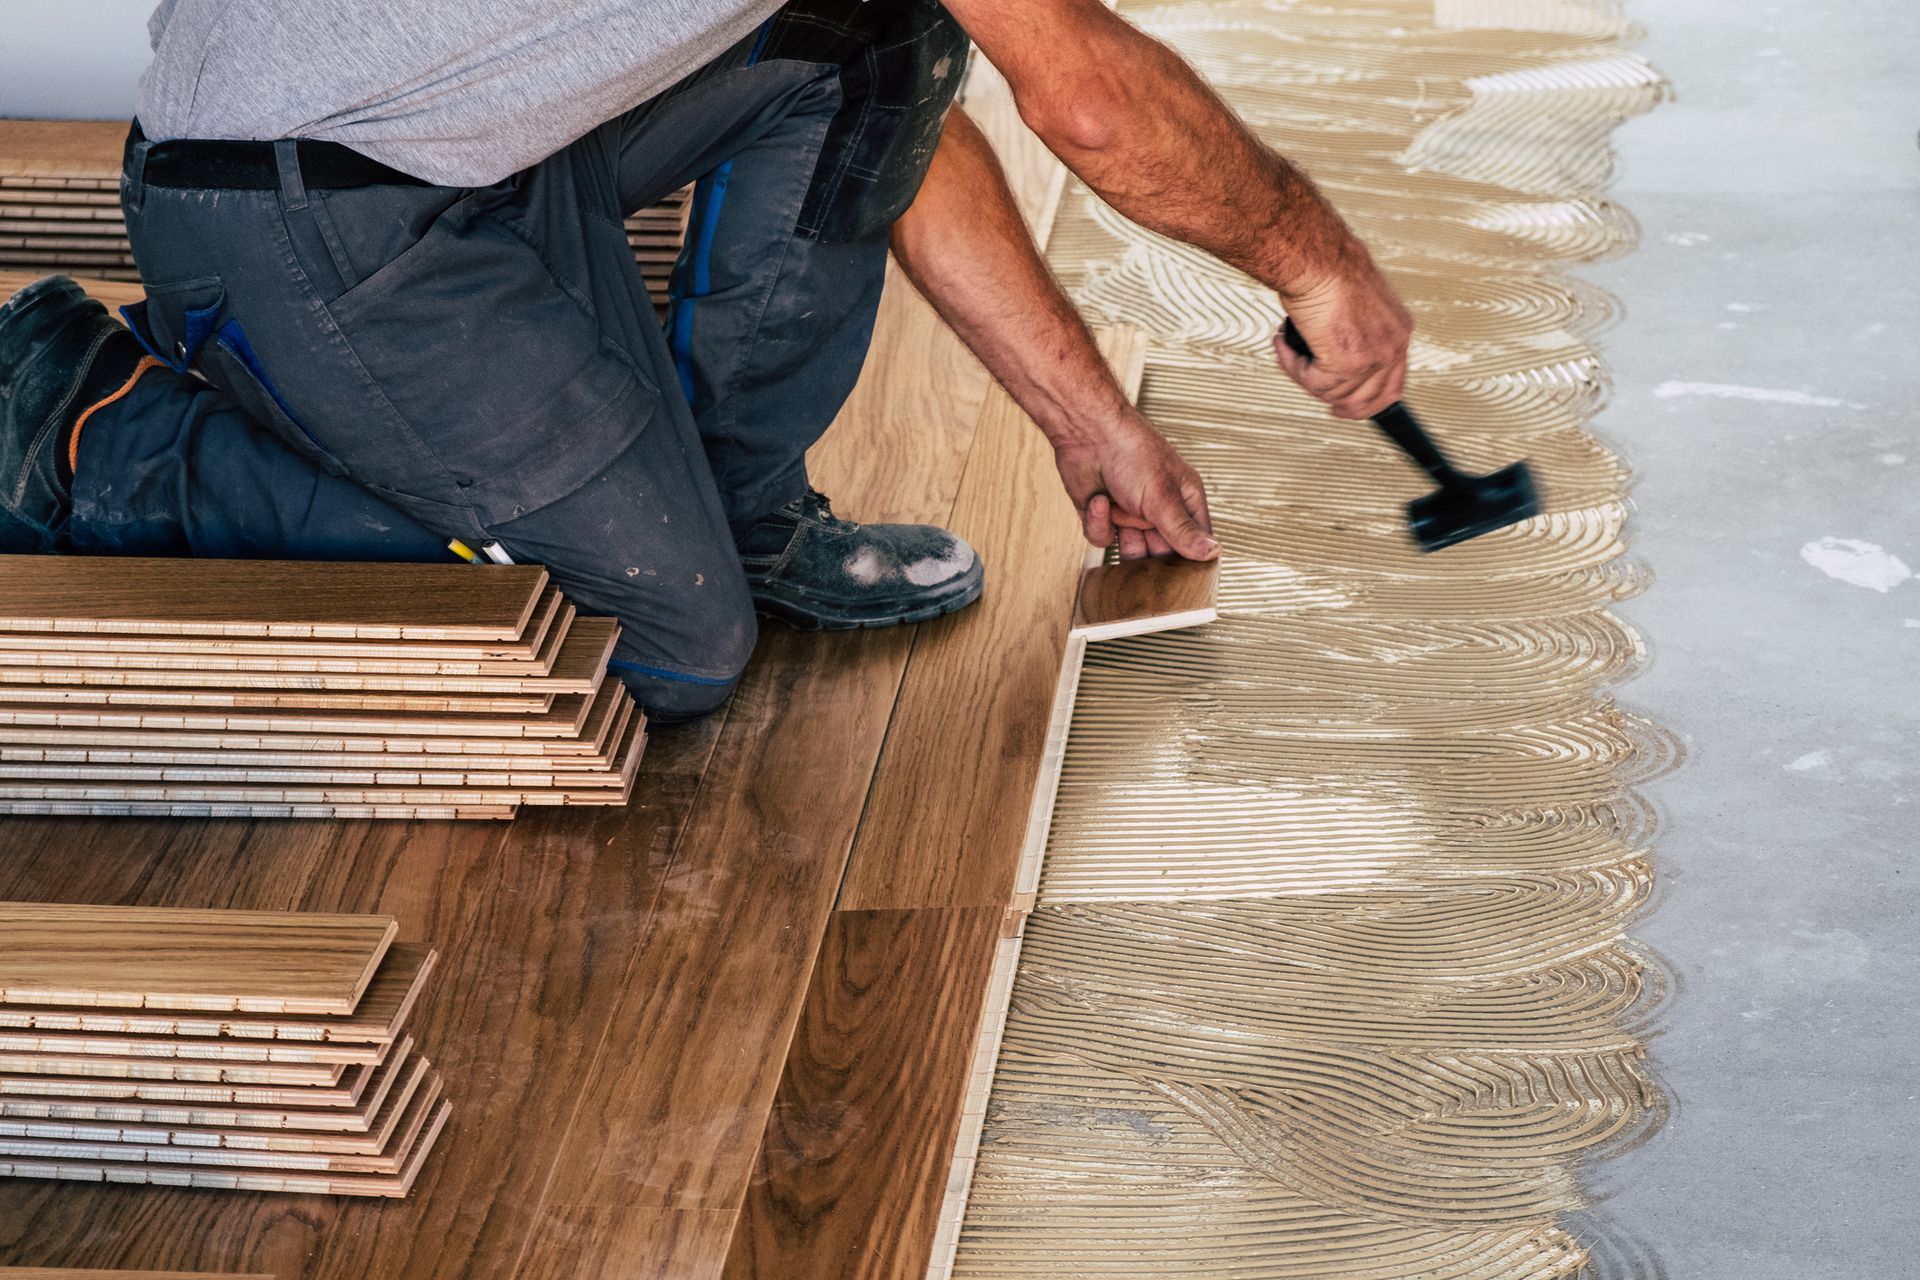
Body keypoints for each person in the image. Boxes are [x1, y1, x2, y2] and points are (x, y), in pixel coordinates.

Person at [0, 0, 1412, 720]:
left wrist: (1088, 420)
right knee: (662, 644)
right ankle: (88, 423)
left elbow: (909, 129)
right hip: (288, 207)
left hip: (451, 145)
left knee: (872, 38)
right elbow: (1092, 103)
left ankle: (732, 512)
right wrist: (1316, 263)